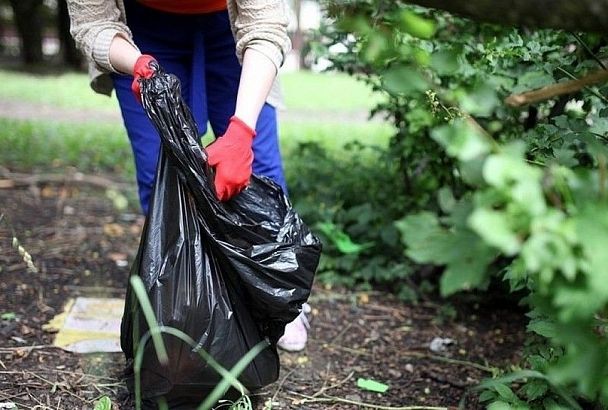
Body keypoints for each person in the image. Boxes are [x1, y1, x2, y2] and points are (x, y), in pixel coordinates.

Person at [66, 0, 309, 352]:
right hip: (142, 32)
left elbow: (265, 26)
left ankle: (277, 301)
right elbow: (92, 23)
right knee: (160, 172)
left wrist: (241, 132)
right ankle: (180, 301)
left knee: (258, 167)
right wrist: (137, 64)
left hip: (229, 26)